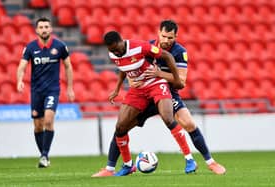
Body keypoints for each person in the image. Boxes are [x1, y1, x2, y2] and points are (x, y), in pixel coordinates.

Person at [92, 20, 226, 177]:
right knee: (122, 127)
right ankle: (111, 168)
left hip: (168, 92)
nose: (166, 40)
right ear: (158, 33)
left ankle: (211, 163)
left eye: (170, 38)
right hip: (145, 94)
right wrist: (129, 81)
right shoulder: (147, 46)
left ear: (176, 36)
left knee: (188, 123)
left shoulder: (179, 52)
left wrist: (159, 74)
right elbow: (128, 65)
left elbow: (180, 82)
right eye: (164, 36)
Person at [99, 30, 197, 176]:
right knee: (120, 127)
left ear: (121, 41)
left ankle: (189, 159)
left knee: (168, 118)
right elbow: (123, 68)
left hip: (155, 84)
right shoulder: (113, 53)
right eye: (112, 50)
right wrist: (117, 89)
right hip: (138, 90)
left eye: (117, 49)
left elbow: (167, 55)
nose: (116, 53)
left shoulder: (139, 46)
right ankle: (128, 166)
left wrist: (176, 79)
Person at [16, 17, 75, 168]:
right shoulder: (30, 47)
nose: (44, 29)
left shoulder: (60, 46)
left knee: (48, 121)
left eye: (46, 27)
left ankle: (44, 155)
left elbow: (68, 66)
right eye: (41, 27)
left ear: (51, 29)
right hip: (36, 91)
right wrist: (19, 80)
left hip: (52, 90)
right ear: (36, 30)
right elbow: (21, 66)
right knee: (37, 125)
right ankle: (44, 156)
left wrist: (69, 88)